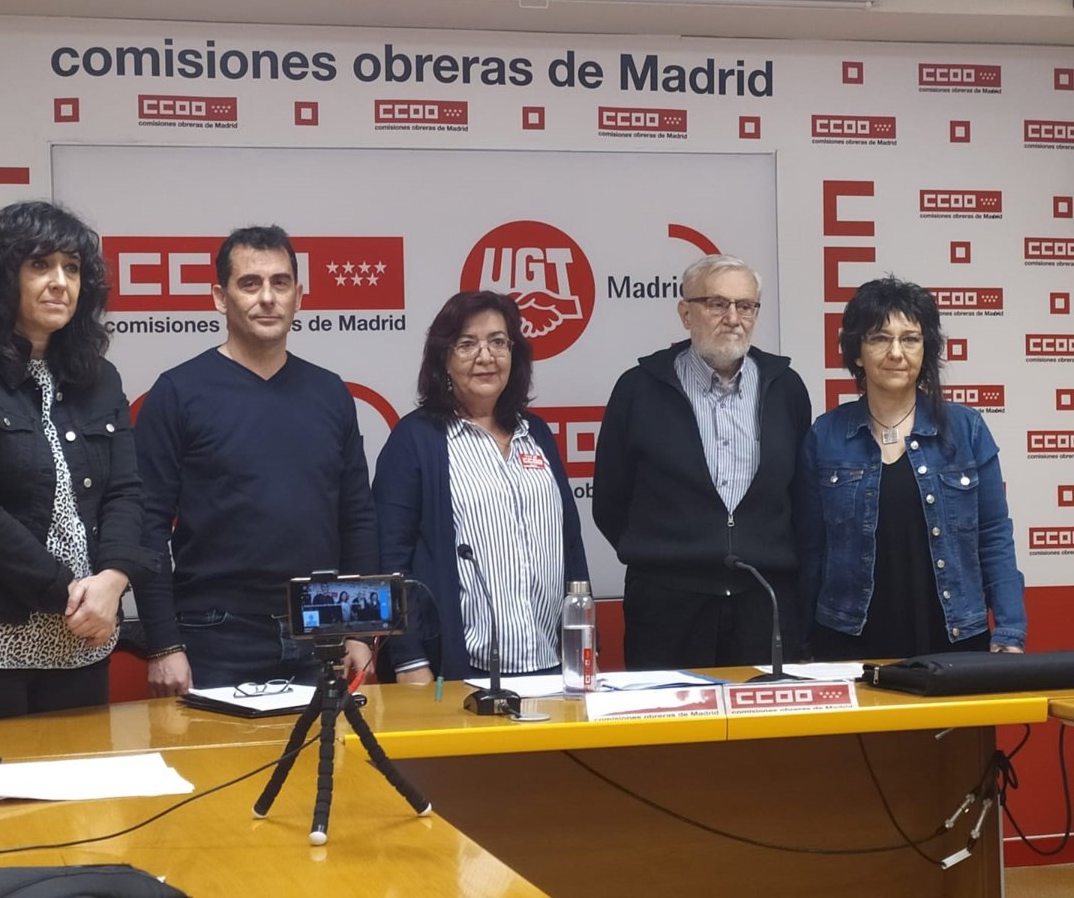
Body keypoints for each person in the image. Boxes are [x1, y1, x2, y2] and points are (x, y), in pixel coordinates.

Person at [0, 201, 156, 734]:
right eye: (40, 265)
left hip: (79, 646)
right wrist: (72, 593)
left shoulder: (101, 378)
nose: (60, 282)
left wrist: (113, 580)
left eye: (72, 268)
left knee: (76, 791)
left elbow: (126, 493)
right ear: (1, 278)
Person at [133, 225, 378, 695]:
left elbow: (358, 517)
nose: (267, 297)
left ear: (298, 297)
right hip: (214, 633)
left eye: (280, 283)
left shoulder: (330, 393)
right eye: (250, 283)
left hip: (323, 630)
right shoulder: (178, 392)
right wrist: (163, 643)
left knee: (327, 748)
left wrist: (361, 630)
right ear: (220, 298)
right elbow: (147, 526)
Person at [593, 254, 811, 670]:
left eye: (745, 306)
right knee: (669, 713)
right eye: (717, 304)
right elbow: (610, 499)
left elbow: (801, 498)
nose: (733, 318)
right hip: (667, 605)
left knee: (763, 713)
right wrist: (670, 554)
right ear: (685, 313)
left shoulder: (786, 388)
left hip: (763, 601)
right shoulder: (638, 389)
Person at [797, 277, 1026, 659]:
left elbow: (994, 537)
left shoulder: (966, 430)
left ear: (926, 350)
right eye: (879, 338)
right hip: (846, 640)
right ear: (857, 352)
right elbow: (810, 552)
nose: (896, 353)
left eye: (910, 339)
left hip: (953, 637)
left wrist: (1009, 629)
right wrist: (800, 643)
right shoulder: (826, 435)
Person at [373, 290, 589, 682]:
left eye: (498, 342)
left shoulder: (536, 433)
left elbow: (570, 544)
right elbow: (390, 559)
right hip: (461, 670)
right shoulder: (416, 439)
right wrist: (408, 658)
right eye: (467, 344)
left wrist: (584, 646)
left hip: (552, 663)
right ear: (443, 359)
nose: (485, 356)